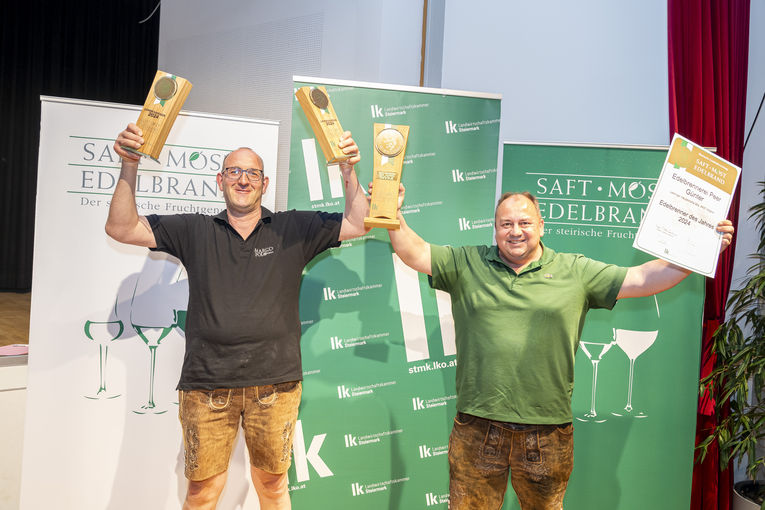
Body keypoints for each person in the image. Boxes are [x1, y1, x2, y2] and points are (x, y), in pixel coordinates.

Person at [385, 187, 734, 510]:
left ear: (541, 225)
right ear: (494, 229)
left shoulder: (575, 270)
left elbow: (643, 279)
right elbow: (413, 251)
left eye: (524, 222)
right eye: (506, 224)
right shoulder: (467, 263)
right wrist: (392, 212)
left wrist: (700, 252)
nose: (515, 231)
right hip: (477, 428)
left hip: (546, 433)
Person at [107, 123, 369, 510]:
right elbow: (121, 227)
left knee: (274, 487)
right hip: (207, 385)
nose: (243, 180)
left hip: (275, 387)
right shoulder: (194, 229)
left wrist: (349, 171)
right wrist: (129, 164)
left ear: (264, 185)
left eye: (252, 174)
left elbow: (360, 223)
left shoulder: (292, 228)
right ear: (220, 180)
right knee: (201, 493)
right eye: (234, 171)